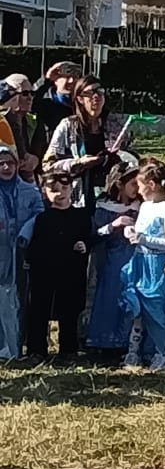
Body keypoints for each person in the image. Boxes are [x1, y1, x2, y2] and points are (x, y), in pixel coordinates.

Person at [23, 166, 91, 362]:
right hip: (44, 271)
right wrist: (32, 262)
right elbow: (34, 244)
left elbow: (88, 237)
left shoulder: (81, 216)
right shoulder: (42, 218)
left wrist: (84, 244)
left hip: (71, 271)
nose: (59, 193)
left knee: (69, 311)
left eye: (64, 188)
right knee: (39, 310)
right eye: (53, 190)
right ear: (44, 191)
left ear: (72, 189)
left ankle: (68, 349)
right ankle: (36, 349)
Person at [121, 161, 165, 371]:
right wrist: (130, 233)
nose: (138, 190)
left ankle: (160, 352)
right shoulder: (146, 206)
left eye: (140, 185)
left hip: (156, 265)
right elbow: (139, 231)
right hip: (139, 261)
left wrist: (145, 239)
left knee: (155, 309)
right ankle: (133, 350)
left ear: (152, 185)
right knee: (135, 304)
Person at [45, 80, 134, 212]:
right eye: (90, 93)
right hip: (77, 196)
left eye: (100, 92)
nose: (96, 96)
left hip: (110, 198)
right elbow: (48, 165)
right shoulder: (68, 126)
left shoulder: (116, 125)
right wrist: (78, 163)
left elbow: (131, 159)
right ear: (80, 99)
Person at [87, 161, 141, 359]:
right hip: (111, 263)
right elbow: (94, 235)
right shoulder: (104, 208)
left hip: (134, 261)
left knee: (130, 300)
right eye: (133, 183)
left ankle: (128, 343)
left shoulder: (140, 207)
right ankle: (103, 342)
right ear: (120, 184)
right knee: (109, 299)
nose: (137, 188)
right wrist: (113, 225)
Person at [0, 144, 43, 361]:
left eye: (11, 163)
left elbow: (39, 214)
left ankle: (15, 346)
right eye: (1, 164)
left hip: (21, 252)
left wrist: (26, 231)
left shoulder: (29, 190)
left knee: (17, 298)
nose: (6, 167)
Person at [3, 73, 49, 177]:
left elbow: (43, 150)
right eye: (24, 93)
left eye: (32, 93)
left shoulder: (34, 121)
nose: (30, 98)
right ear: (11, 95)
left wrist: (35, 159)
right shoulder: (2, 121)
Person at [33, 61, 84, 143]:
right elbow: (28, 101)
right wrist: (45, 80)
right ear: (55, 79)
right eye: (66, 77)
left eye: (75, 77)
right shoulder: (44, 102)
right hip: (47, 150)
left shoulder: (82, 104)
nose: (71, 81)